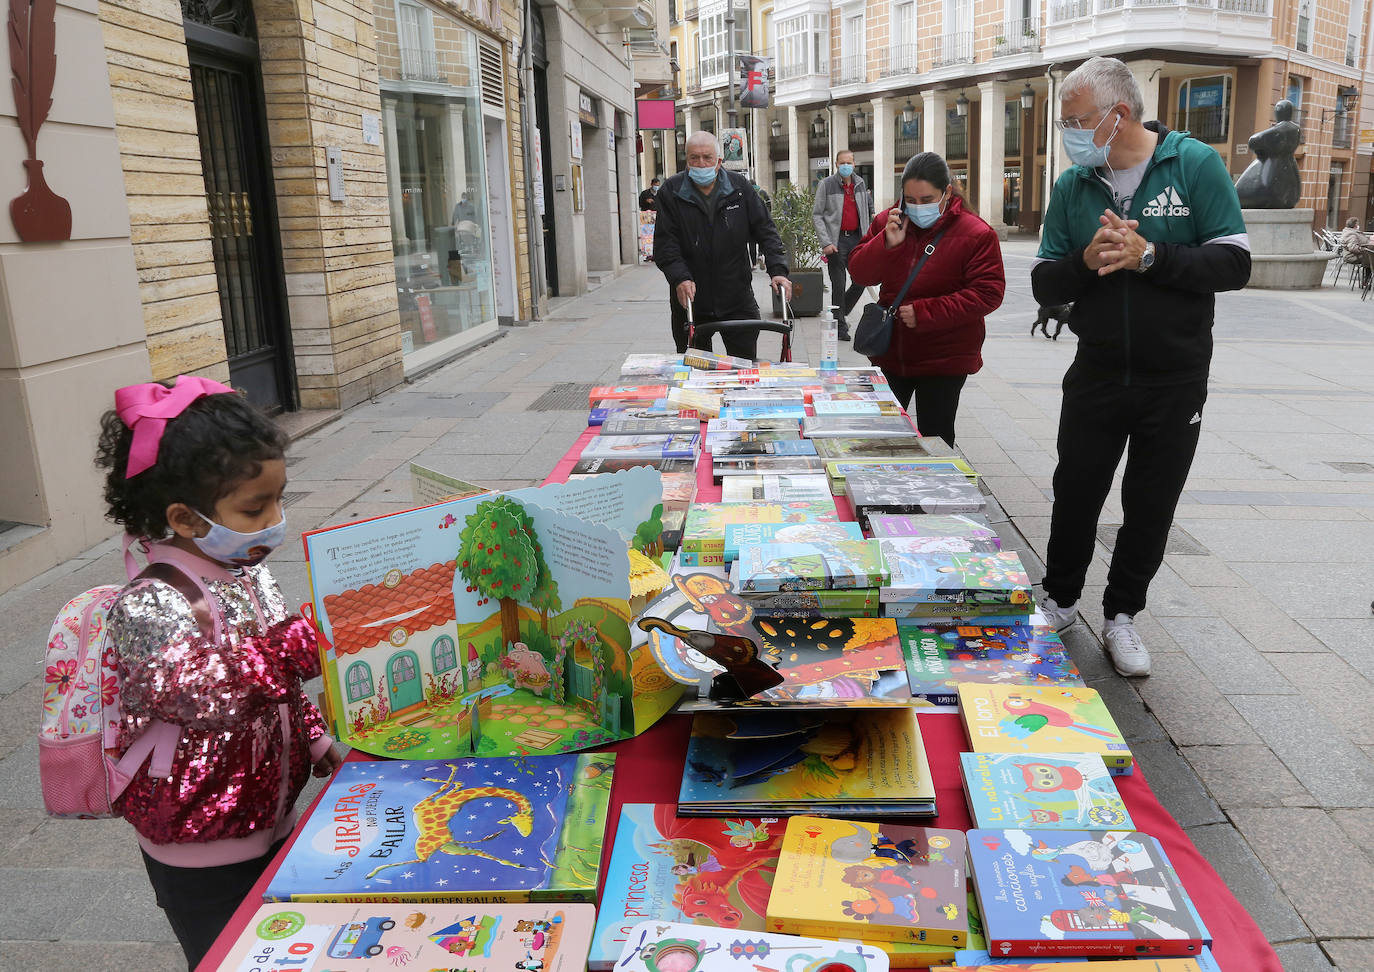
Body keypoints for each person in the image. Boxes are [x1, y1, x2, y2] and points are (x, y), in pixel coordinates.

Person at [95, 376, 342, 969]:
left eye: (280, 498)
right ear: (185, 518)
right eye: (255, 508)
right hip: (197, 838)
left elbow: (275, 686)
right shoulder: (149, 602)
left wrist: (312, 735)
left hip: (270, 809)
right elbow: (210, 692)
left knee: (277, 944)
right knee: (224, 954)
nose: (276, 519)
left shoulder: (248, 573)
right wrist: (310, 641)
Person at [1031, 55, 1251, 677]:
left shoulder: (1193, 164)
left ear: (1117, 115)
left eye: (1076, 120)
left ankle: (1122, 615)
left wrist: (1151, 256)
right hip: (1097, 371)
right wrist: (1086, 259)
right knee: (1076, 489)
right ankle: (1061, 598)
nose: (1069, 133)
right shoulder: (1074, 186)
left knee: (1151, 502)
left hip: (1174, 378)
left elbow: (1234, 264)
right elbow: (1046, 278)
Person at [846, 151, 1005, 446]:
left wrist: (926, 312)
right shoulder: (888, 221)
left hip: (945, 358)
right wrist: (885, 244)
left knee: (936, 436)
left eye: (927, 199)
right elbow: (859, 273)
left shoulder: (976, 233)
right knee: (881, 438)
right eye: (911, 200)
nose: (917, 208)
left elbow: (988, 293)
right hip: (891, 352)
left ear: (946, 192)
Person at [653, 132, 792, 359]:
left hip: (736, 295)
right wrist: (680, 277)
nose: (700, 164)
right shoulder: (672, 191)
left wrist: (778, 271)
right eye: (693, 158)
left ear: (719, 161)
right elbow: (665, 243)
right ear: (686, 160)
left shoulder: (739, 188)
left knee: (744, 366)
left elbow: (766, 230)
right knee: (695, 370)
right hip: (690, 297)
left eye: (707, 157)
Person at [813, 149, 874, 340]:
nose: (846, 166)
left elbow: (869, 210)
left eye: (849, 162)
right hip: (836, 242)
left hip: (857, 240)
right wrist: (826, 242)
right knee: (838, 286)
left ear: (854, 164)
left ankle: (839, 315)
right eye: (842, 163)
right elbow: (817, 215)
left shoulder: (861, 183)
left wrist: (870, 235)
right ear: (836, 165)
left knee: (861, 281)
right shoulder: (827, 185)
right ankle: (840, 328)